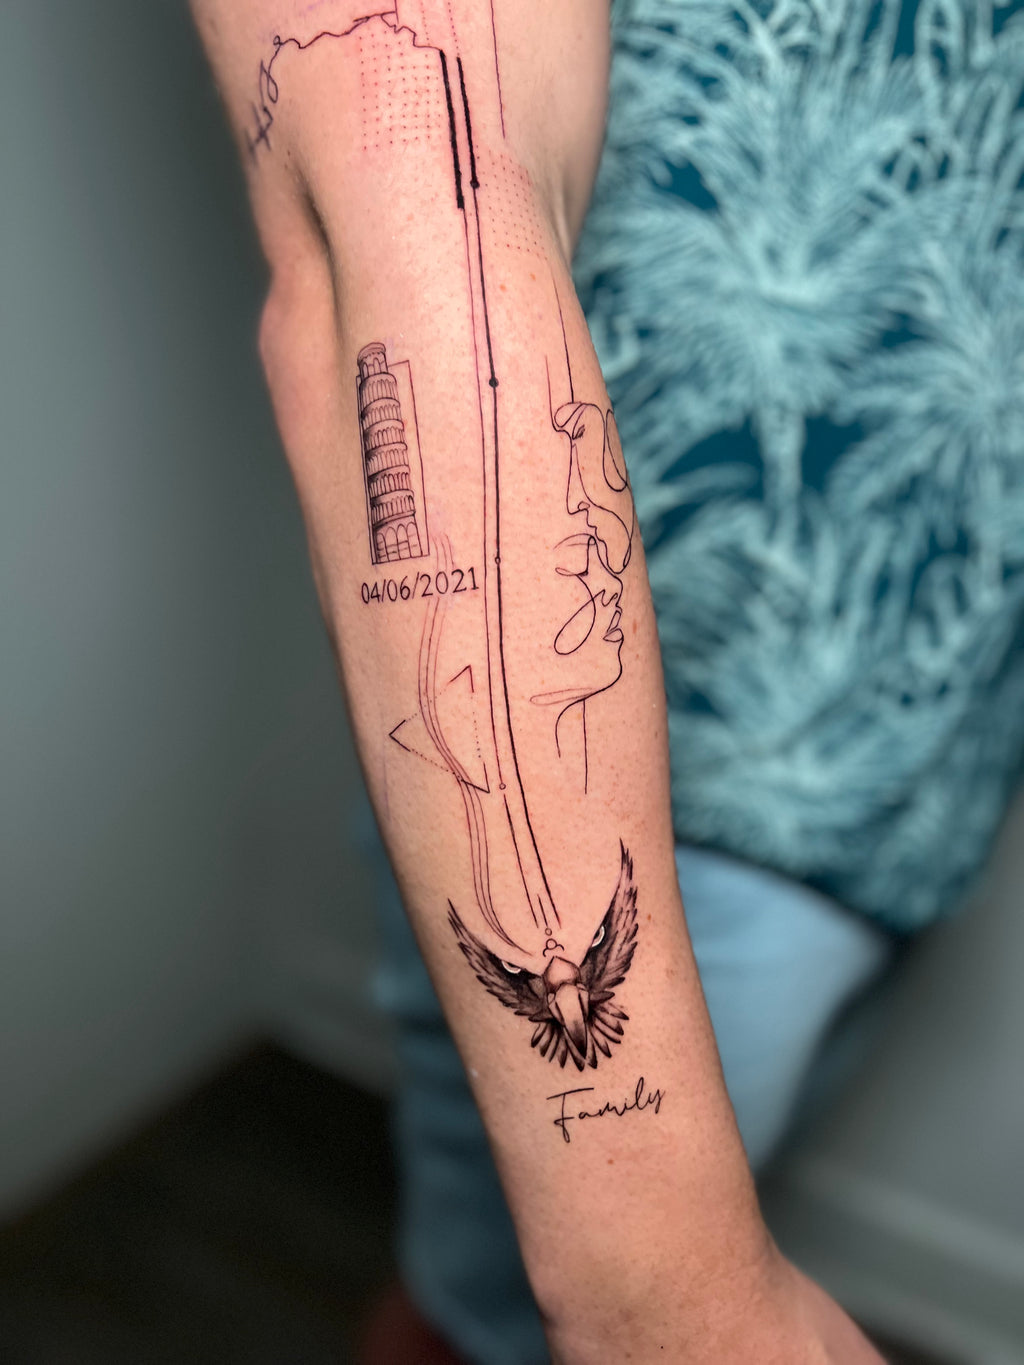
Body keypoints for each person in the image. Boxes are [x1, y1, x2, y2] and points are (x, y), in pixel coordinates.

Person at [193, 1, 1024, 1361]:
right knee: (486, 1322)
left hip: (933, 737)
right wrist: (662, 1290)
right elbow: (408, 222)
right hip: (669, 782)